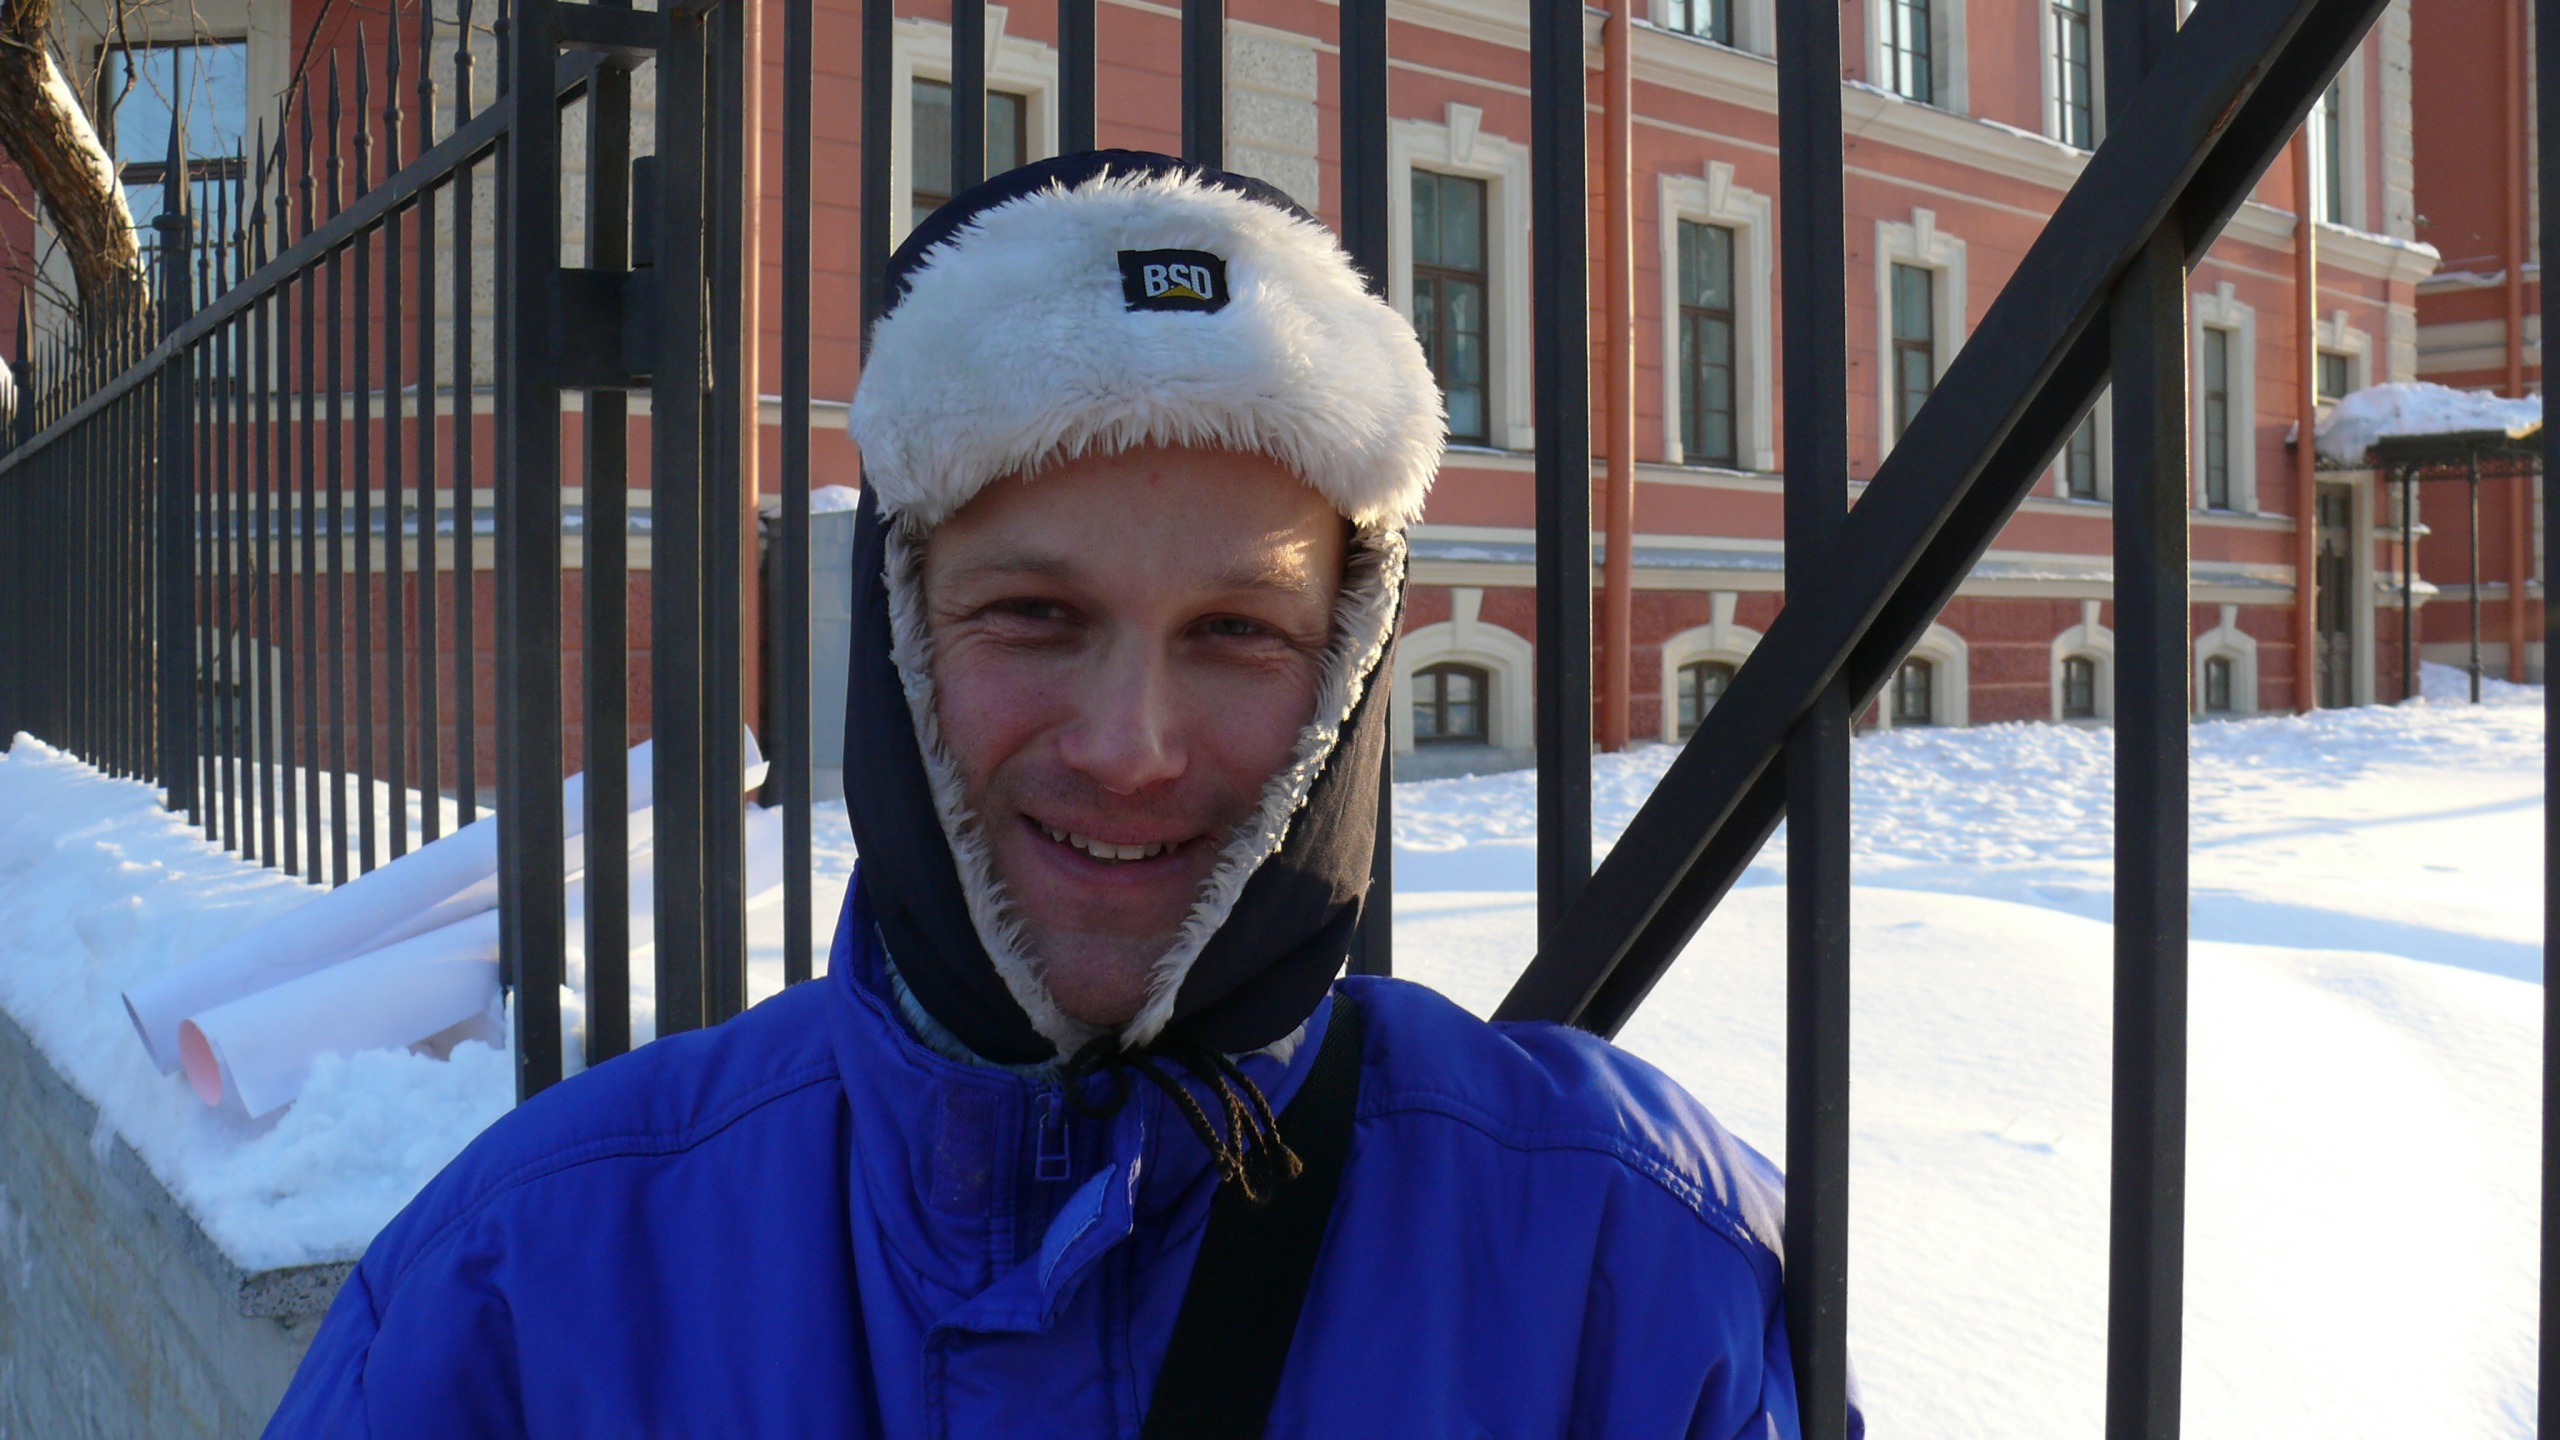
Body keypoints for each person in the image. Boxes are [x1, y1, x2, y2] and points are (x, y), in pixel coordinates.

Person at [265, 150, 1839, 1438]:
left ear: (1351, 670)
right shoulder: (527, 1285)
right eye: (1034, 614)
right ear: (902, 634)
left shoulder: (1627, 1265)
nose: (1131, 747)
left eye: (1237, 631)